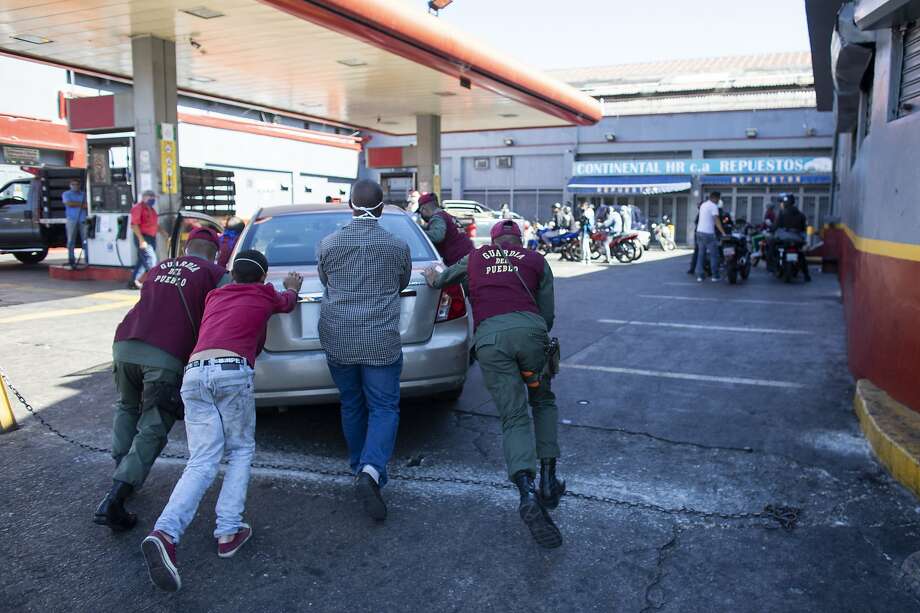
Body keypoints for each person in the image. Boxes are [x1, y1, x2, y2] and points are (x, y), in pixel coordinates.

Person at [142, 250, 302, 593]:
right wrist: (291, 287)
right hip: (231, 372)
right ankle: (228, 531)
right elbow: (287, 302)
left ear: (232, 274)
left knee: (200, 461)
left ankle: (165, 533)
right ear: (261, 278)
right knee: (241, 450)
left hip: (195, 374)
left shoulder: (216, 295)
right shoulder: (264, 294)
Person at [424, 220, 564, 548]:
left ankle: (526, 492)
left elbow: (440, 279)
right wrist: (531, 338)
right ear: (520, 239)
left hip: (490, 342)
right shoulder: (536, 260)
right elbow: (548, 315)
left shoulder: (476, 257)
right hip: (530, 336)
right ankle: (548, 479)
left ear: (495, 239)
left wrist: (431, 274)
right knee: (542, 401)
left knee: (513, 415)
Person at [94, 228, 228, 532]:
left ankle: (123, 469)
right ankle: (116, 497)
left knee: (127, 407)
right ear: (215, 252)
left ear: (187, 246)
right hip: (165, 354)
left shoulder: (159, 267)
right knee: (154, 424)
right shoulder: (215, 273)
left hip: (125, 342)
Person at [317, 179, 412, 521]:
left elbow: (327, 280)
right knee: (384, 407)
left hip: (338, 336)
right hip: (379, 339)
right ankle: (371, 472)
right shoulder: (396, 245)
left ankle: (359, 467)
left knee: (352, 402)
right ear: (382, 208)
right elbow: (401, 282)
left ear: (351, 206)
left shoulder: (329, 243)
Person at [418, 192, 474, 266]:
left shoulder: (438, 218)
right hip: (469, 258)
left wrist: (417, 233)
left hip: (459, 262)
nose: (421, 215)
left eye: (420, 212)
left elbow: (437, 236)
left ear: (424, 209)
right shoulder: (447, 217)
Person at [773, 193, 811, 282]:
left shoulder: (782, 213)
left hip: (784, 239)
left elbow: (776, 226)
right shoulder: (801, 214)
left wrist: (772, 230)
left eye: (782, 203)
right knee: (801, 255)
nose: (781, 204)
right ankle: (806, 274)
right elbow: (804, 228)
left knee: (775, 248)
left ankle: (775, 267)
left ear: (785, 203)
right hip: (797, 239)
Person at [130, 190, 159, 289]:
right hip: (143, 237)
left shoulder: (151, 209)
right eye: (150, 197)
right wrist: (141, 240)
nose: (152, 199)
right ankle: (156, 283)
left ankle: (133, 282)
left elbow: (154, 224)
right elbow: (134, 225)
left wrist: (164, 233)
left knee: (142, 262)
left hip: (151, 238)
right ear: (144, 197)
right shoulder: (138, 208)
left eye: (153, 198)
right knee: (151, 260)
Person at [695, 191, 725, 282]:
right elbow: (716, 220)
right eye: (718, 199)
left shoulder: (703, 205)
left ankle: (700, 276)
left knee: (701, 254)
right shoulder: (714, 206)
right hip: (709, 234)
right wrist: (723, 232)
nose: (719, 201)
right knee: (714, 255)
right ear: (715, 198)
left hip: (699, 232)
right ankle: (715, 276)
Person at [62, 178, 87, 270]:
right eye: (73, 184)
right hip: (71, 220)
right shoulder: (66, 194)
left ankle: (88, 260)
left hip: (83, 219)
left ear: (80, 185)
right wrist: (81, 204)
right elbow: (69, 203)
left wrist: (77, 204)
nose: (75, 186)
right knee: (71, 240)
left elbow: (87, 205)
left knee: (85, 240)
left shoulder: (83, 194)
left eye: (77, 184)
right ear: (70, 185)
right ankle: (71, 260)